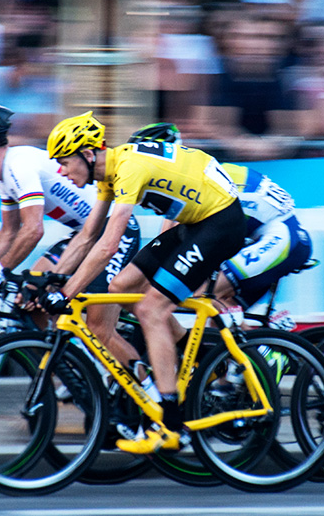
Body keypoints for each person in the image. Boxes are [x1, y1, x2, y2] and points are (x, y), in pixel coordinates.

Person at [41, 112, 246, 455]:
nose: (61, 171)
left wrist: (66, 294)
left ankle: (170, 423)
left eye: (64, 162)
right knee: (120, 287)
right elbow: (88, 234)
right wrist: (54, 280)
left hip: (220, 222)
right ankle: (196, 354)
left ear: (88, 155)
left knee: (151, 308)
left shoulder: (128, 168)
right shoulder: (110, 172)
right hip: (195, 222)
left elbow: (107, 245)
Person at [0, 101, 140, 350]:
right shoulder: (3, 179)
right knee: (32, 298)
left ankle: (127, 374)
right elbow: (8, 233)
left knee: (100, 330)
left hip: (113, 230)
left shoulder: (18, 165)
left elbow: (33, 230)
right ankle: (76, 375)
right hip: (85, 236)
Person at [127, 122, 312, 311]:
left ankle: (267, 338)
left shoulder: (191, 183)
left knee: (199, 297)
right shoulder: (198, 171)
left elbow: (170, 238)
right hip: (269, 234)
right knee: (215, 313)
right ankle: (261, 338)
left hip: (282, 237)